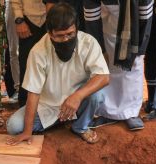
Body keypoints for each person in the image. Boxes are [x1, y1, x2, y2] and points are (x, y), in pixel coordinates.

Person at [6, 3, 109, 145]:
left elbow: (103, 77)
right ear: (49, 33)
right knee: (13, 126)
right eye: (60, 36)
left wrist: (77, 96)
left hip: (78, 102)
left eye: (70, 34)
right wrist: (27, 132)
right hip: (48, 106)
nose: (66, 39)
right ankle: (62, 120)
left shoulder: (89, 43)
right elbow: (33, 93)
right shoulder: (38, 51)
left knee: (98, 95)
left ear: (76, 28)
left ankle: (80, 126)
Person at [83, 0, 153, 131]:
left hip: (134, 28)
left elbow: (145, 16)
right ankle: (105, 112)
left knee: (134, 67)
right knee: (104, 68)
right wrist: (100, 50)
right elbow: (92, 19)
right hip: (104, 28)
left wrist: (140, 48)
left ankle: (131, 113)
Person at [11, 0, 46, 107]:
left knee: (53, 64)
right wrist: (19, 20)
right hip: (28, 21)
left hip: (53, 18)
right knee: (27, 65)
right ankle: (25, 107)